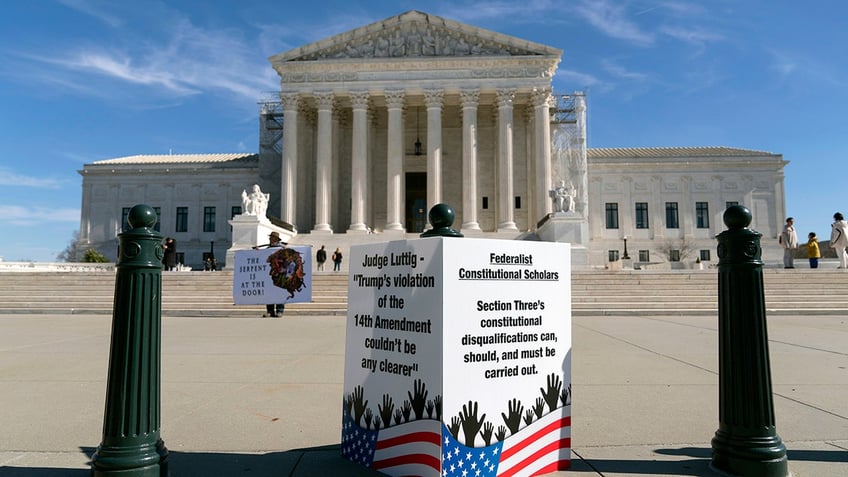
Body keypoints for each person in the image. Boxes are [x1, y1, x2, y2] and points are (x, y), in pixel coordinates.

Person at [255, 231, 286, 317]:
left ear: (275, 239)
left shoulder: (282, 249)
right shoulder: (268, 249)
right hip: (270, 274)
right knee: (269, 292)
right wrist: (258, 252)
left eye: (271, 238)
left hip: (280, 273)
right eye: (269, 238)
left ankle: (280, 310)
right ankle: (270, 311)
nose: (269, 239)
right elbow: (263, 258)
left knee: (279, 292)